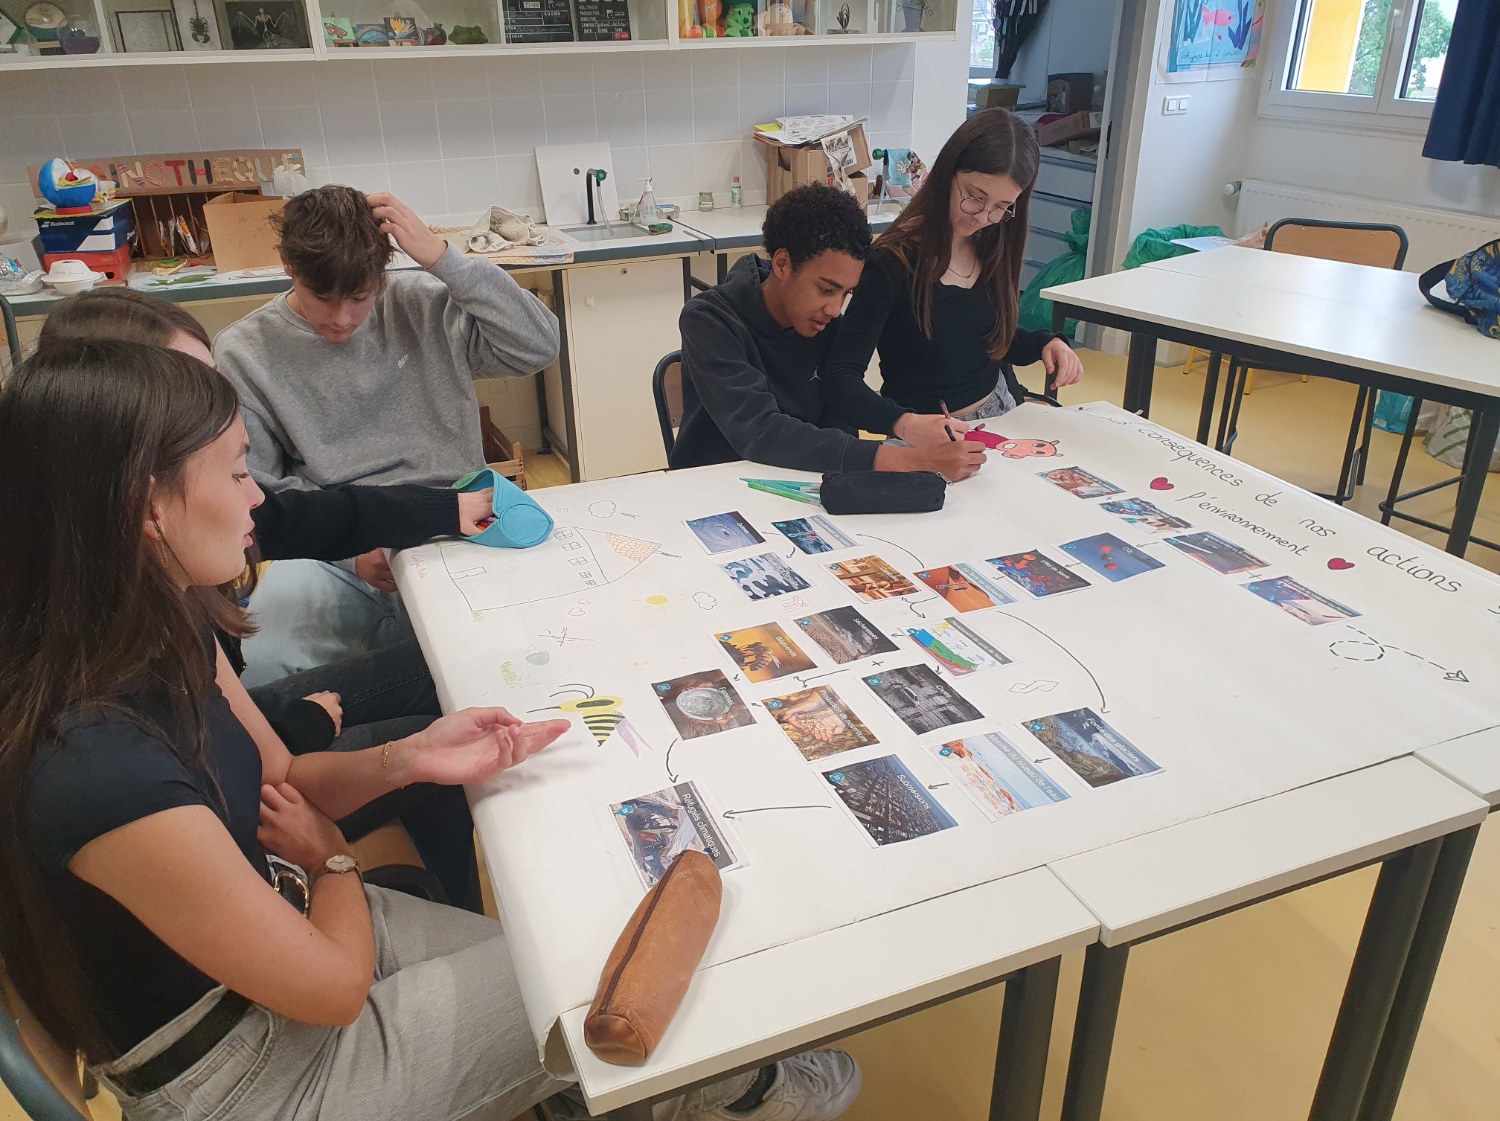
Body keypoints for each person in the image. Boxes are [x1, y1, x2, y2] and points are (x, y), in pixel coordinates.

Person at [0, 339, 861, 1121]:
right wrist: (333, 860)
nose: (257, 494)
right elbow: (333, 989)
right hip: (250, 1072)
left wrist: (409, 757)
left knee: (586, 945)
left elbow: (284, 777)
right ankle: (751, 1093)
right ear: (146, 507)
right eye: (234, 474)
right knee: (611, 969)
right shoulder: (95, 766)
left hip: (283, 926)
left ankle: (637, 1089)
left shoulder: (165, 611)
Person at [36, 286, 505, 911]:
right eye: (191, 396)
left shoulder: (166, 597)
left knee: (437, 690)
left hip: (251, 755)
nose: (254, 494)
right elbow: (233, 778)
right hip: (261, 836)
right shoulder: (105, 737)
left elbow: (254, 748)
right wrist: (331, 860)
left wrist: (444, 508)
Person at [214, 185, 560, 686]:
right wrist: (350, 551)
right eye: (322, 298)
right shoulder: (244, 351)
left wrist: (445, 261)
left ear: (382, 272)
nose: (341, 319)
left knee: (527, 657)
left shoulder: (422, 303)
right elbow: (259, 486)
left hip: (457, 517)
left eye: (359, 298)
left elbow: (539, 346)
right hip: (335, 539)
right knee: (264, 668)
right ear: (288, 264)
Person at [670, 184, 986, 482]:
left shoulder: (827, 328)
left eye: (846, 293)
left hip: (799, 481)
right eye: (825, 289)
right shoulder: (711, 320)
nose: (835, 309)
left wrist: (905, 426)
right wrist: (912, 460)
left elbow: (841, 422)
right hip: (715, 486)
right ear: (782, 264)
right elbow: (760, 431)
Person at [823, 110, 1086, 428]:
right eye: (975, 197)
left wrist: (1045, 342)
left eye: (1002, 207)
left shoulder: (991, 244)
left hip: (1001, 412)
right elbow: (841, 378)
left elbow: (988, 337)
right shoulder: (892, 263)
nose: (983, 217)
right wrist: (904, 424)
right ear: (947, 173)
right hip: (927, 432)